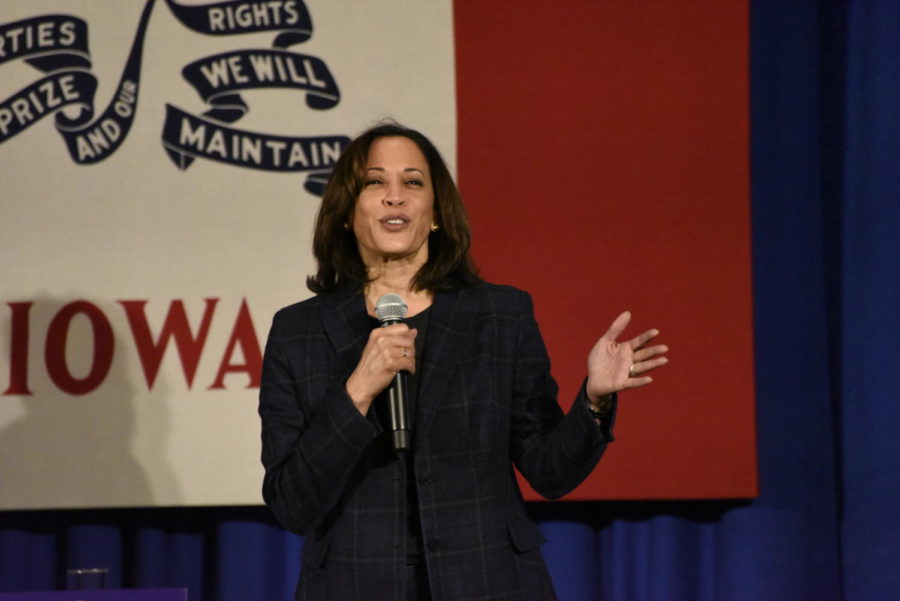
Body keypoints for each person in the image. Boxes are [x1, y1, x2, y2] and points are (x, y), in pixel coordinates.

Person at [258, 122, 668, 601]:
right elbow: (291, 504)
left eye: (413, 182)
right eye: (375, 182)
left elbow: (549, 471)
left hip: (490, 580)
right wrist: (359, 391)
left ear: (435, 213)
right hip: (352, 584)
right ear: (347, 212)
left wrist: (594, 399)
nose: (395, 196)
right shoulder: (298, 331)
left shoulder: (500, 315)